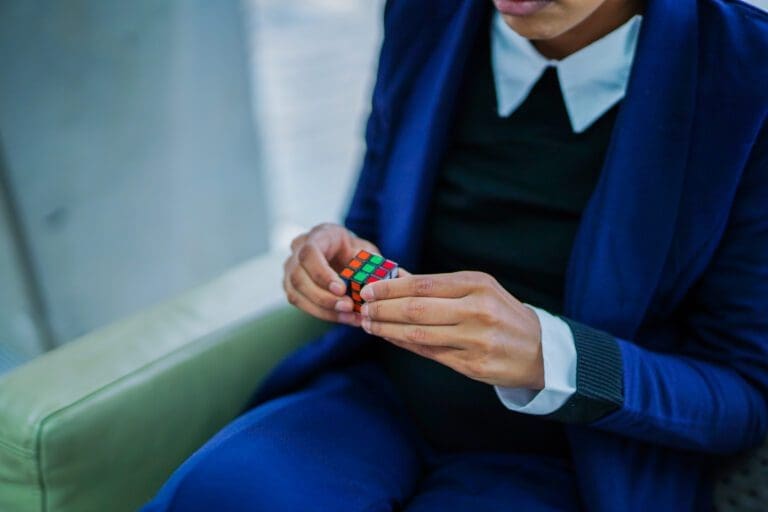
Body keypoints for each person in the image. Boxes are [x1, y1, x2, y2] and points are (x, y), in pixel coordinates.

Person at [143, 0, 768, 510]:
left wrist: (550, 355)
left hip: (573, 460)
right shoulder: (426, 14)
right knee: (223, 494)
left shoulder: (747, 75)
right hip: (377, 398)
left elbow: (742, 398)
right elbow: (373, 221)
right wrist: (334, 255)